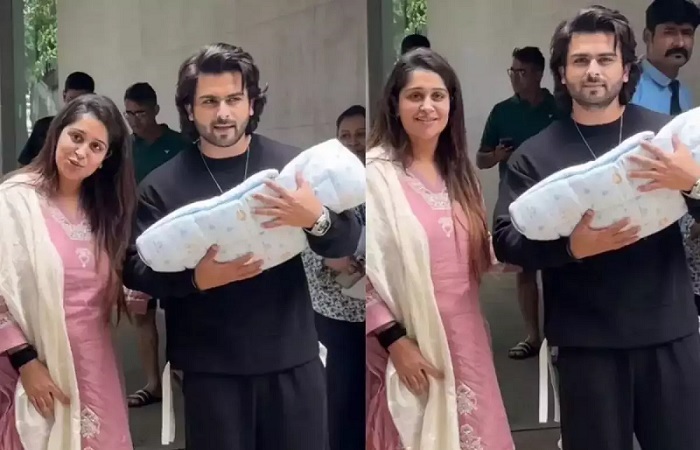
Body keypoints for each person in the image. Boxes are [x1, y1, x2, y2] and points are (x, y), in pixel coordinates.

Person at [122, 43, 362, 450]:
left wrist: (314, 218)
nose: (223, 113)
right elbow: (134, 267)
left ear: (252, 104)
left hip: (292, 357)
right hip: (210, 369)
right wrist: (195, 280)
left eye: (234, 99)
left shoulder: (292, 168)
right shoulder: (161, 186)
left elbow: (347, 237)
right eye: (209, 101)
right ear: (189, 109)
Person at [492, 7, 700, 450]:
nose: (593, 71)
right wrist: (571, 249)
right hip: (586, 343)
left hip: (668, 331)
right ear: (561, 73)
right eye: (580, 60)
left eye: (605, 59)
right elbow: (505, 239)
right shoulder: (535, 155)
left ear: (626, 70)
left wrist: (692, 184)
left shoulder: (665, 138)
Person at [365, 47, 514, 450]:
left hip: (467, 339)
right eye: (415, 96)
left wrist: (525, 246)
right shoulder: (376, 175)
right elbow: (366, 269)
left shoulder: (460, 174)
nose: (427, 107)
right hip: (409, 343)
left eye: (437, 96)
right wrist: (395, 343)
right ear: (394, 104)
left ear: (452, 104)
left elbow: (476, 255)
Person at [0, 94, 136, 449]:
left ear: (106, 159)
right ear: (57, 133)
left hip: (95, 362)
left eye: (95, 147)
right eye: (76, 137)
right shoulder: (15, 199)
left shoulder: (103, 211)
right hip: (34, 365)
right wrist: (26, 362)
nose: (81, 153)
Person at [477, 45, 560, 360]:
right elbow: (481, 158)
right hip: (518, 201)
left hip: (556, 199)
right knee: (525, 270)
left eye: (522, 72)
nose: (515, 78)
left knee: (557, 270)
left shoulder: (559, 108)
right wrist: (497, 155)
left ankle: (558, 338)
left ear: (538, 74)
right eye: (512, 71)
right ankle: (532, 337)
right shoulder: (502, 112)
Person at [301, 105, 366, 450]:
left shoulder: (388, 182)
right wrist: (329, 259)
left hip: (382, 311)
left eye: (361, 135)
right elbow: (300, 238)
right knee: (340, 399)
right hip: (334, 311)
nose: (354, 142)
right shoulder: (320, 185)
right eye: (346, 136)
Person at [122, 82, 190, 409]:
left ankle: (185, 375)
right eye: (129, 114)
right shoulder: (124, 149)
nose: (135, 120)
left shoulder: (179, 145)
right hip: (136, 241)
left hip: (176, 241)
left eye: (141, 113)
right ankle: (152, 383)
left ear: (156, 111)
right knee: (141, 315)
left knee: (180, 312)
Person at [632, 0, 700, 115]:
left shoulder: (685, 95)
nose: (680, 43)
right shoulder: (629, 88)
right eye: (669, 32)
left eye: (687, 33)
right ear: (648, 37)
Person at [18, 72, 96, 167]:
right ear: (64, 96)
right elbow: (24, 164)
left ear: (93, 98)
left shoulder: (98, 132)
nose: (75, 106)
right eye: (71, 100)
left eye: (81, 101)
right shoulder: (44, 127)